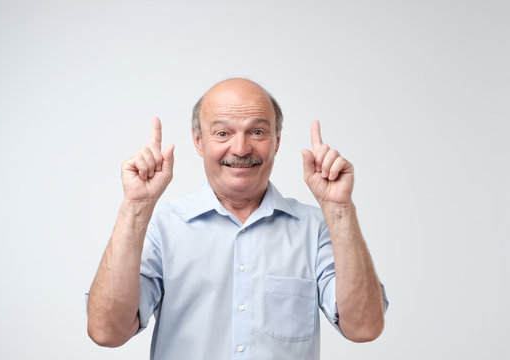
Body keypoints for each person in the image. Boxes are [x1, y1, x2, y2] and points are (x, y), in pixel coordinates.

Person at [87, 78, 388, 359]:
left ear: (276, 141)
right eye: (222, 133)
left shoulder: (314, 229)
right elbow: (106, 332)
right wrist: (135, 207)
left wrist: (339, 209)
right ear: (198, 141)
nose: (241, 148)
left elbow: (364, 328)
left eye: (257, 131)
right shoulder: (163, 227)